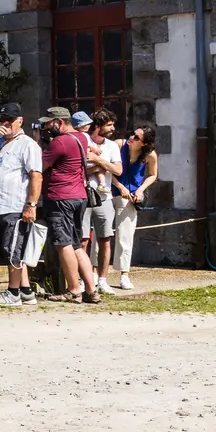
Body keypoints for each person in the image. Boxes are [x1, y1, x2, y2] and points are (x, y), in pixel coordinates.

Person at [0, 103, 44, 308]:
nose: (6, 124)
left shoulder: (28, 144)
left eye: (10, 120)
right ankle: (25, 290)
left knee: (13, 248)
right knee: (10, 249)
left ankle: (12, 292)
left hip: (14, 205)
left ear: (19, 121)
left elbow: (36, 176)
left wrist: (31, 205)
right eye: (2, 120)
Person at [39, 107, 101, 303]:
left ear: (59, 122)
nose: (46, 127)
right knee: (76, 244)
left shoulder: (59, 142)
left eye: (49, 123)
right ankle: (91, 290)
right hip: (78, 196)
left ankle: (74, 290)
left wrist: (39, 142)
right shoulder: (81, 138)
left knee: (63, 242)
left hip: (60, 197)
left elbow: (39, 166)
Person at [113, 124, 159, 290]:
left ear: (145, 143)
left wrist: (140, 190)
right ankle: (96, 273)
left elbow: (153, 175)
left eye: (137, 137)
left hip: (130, 196)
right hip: (111, 191)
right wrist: (119, 186)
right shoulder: (119, 145)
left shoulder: (149, 155)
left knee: (125, 235)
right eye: (132, 134)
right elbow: (107, 169)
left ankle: (124, 274)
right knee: (101, 234)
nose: (132, 138)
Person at [85, 109, 124, 296]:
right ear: (98, 126)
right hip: (83, 196)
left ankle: (102, 280)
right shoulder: (84, 141)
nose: (113, 128)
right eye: (109, 125)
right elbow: (79, 168)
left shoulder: (112, 146)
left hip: (104, 198)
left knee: (105, 240)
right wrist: (99, 167)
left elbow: (118, 170)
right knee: (83, 240)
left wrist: (98, 161)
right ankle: (85, 280)